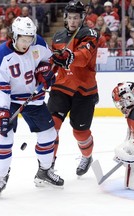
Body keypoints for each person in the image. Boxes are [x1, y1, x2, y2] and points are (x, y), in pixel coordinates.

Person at [0, 16, 64, 198]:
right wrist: (3, 112)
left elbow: (49, 61)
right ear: (14, 36)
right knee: (4, 137)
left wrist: (46, 72)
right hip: (9, 100)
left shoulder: (38, 43)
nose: (27, 43)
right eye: (23, 39)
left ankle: (44, 171)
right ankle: (1, 177)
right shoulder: (1, 56)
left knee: (49, 134)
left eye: (30, 38)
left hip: (33, 97)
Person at [48, 0, 99, 176]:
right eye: (70, 18)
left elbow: (83, 57)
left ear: (82, 18)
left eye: (76, 18)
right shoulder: (58, 37)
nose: (72, 21)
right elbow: (54, 62)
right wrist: (45, 75)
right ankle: (48, 166)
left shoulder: (90, 34)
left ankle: (87, 156)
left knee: (80, 132)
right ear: (65, 18)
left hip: (84, 91)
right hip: (61, 88)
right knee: (50, 128)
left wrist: (69, 56)